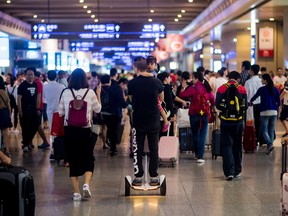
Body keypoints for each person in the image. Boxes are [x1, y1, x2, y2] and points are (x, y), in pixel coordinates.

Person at [58, 68, 101, 201]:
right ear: (84, 79)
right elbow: (98, 109)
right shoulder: (90, 92)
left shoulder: (65, 92)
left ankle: (76, 192)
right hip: (85, 130)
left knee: (73, 160)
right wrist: (98, 94)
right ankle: (86, 184)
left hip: (70, 130)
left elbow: (60, 112)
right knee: (88, 158)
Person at [128, 56, 164, 186]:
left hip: (138, 120)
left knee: (138, 148)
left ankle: (138, 176)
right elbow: (161, 99)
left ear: (137, 68)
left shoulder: (132, 83)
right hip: (154, 119)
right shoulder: (157, 82)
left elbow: (131, 100)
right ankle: (154, 175)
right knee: (154, 148)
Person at [216, 71, 247, 181]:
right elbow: (245, 106)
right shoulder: (242, 89)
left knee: (227, 145)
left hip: (225, 122)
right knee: (237, 145)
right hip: (238, 122)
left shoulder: (221, 88)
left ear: (229, 78)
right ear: (237, 79)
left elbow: (217, 105)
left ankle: (229, 172)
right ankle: (237, 171)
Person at [179, 71, 215, 163]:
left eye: (193, 78)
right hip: (205, 114)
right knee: (203, 135)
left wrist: (183, 88)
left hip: (194, 114)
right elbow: (212, 98)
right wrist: (212, 107)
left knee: (195, 134)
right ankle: (200, 156)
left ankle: (196, 153)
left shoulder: (193, 88)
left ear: (196, 78)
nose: (192, 80)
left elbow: (182, 95)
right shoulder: (206, 88)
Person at [249, 73, 280, 155]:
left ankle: (269, 144)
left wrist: (250, 102)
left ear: (265, 80)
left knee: (264, 130)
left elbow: (254, 98)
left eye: (262, 79)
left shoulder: (261, 89)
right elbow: (279, 102)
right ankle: (270, 147)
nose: (261, 80)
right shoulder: (275, 89)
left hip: (264, 112)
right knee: (271, 129)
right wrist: (278, 113)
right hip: (274, 112)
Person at [102, 73, 127, 156]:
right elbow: (122, 102)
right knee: (114, 130)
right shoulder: (118, 89)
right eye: (125, 85)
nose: (125, 88)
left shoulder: (110, 88)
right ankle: (113, 148)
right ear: (122, 84)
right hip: (114, 113)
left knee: (110, 129)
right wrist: (127, 105)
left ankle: (111, 145)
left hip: (105, 113)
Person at [43, 70, 65, 158]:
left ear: (47, 76)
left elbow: (44, 99)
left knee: (53, 132)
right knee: (61, 131)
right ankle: (61, 150)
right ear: (56, 76)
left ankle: (53, 152)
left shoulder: (45, 87)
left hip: (50, 112)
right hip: (60, 111)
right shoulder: (62, 86)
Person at [157, 72, 187, 136]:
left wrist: (182, 101)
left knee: (161, 131)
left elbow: (173, 97)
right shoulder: (168, 87)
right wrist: (172, 114)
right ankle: (167, 145)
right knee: (168, 131)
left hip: (160, 112)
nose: (170, 79)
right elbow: (170, 100)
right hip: (168, 112)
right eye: (169, 77)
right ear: (165, 79)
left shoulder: (159, 87)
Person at [17, 67, 38, 153]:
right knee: (25, 128)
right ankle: (25, 145)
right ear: (25, 75)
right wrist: (20, 111)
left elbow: (36, 97)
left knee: (35, 126)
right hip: (24, 110)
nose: (30, 76)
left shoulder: (35, 85)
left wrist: (37, 108)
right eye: (28, 75)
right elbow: (19, 99)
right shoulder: (22, 86)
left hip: (33, 110)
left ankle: (26, 141)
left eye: (31, 75)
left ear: (34, 76)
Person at [244, 64, 263, 144]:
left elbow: (246, 94)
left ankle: (251, 138)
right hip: (260, 104)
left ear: (252, 71)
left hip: (250, 105)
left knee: (250, 122)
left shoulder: (248, 82)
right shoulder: (261, 81)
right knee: (259, 122)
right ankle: (259, 138)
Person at [34, 71, 50, 149]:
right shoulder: (39, 83)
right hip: (40, 105)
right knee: (35, 125)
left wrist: (37, 108)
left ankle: (45, 141)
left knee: (37, 125)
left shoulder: (38, 83)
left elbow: (39, 95)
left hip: (39, 106)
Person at [0, 76, 12, 153]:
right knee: (5, 133)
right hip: (4, 113)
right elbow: (8, 105)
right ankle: (7, 150)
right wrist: (9, 114)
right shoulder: (4, 92)